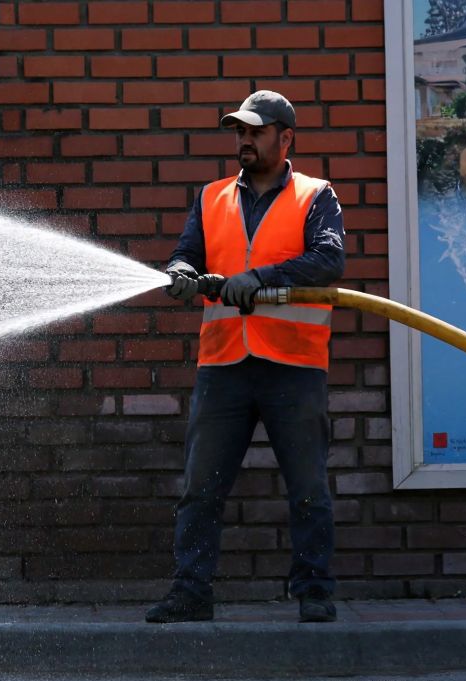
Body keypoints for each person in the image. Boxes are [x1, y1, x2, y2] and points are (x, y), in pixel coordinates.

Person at [148, 90, 346, 623]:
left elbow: (328, 260)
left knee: (308, 488)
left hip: (294, 365)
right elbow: (188, 253)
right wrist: (183, 271)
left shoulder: (315, 195)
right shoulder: (211, 197)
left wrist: (259, 279)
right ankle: (191, 592)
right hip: (223, 364)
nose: (245, 140)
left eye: (256, 131)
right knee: (200, 488)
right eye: (239, 131)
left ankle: (314, 592)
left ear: (286, 138)